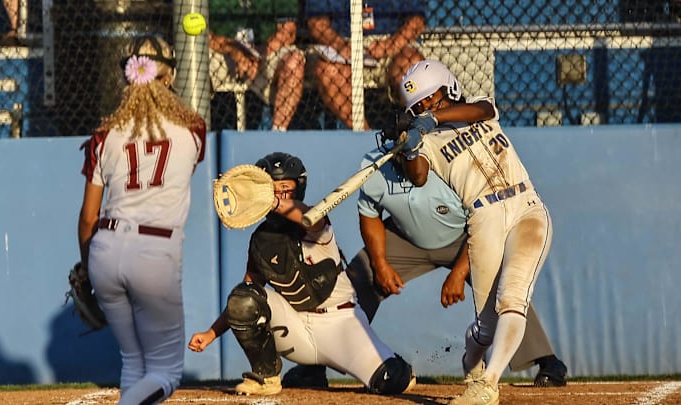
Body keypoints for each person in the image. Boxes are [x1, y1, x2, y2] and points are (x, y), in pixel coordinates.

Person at [282, 143, 566, 389]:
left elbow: (483, 220)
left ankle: (546, 360)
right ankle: (317, 365)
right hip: (405, 238)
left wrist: (459, 272)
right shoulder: (375, 165)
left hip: (466, 236)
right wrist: (380, 264)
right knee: (357, 279)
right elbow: (369, 216)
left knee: (502, 285)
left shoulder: (450, 162)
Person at [188, 152, 416, 396]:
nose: (277, 194)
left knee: (393, 380)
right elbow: (245, 296)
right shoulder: (260, 240)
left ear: (299, 188)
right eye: (270, 189)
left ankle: (317, 370)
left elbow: (306, 218)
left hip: (341, 323)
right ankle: (267, 376)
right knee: (244, 297)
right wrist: (211, 333)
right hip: (295, 327)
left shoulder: (315, 220)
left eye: (284, 188)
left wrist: (272, 201)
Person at [398, 59, 554, 404]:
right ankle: (473, 363)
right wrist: (409, 146)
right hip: (484, 219)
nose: (426, 105)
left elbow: (481, 109)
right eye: (419, 105)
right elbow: (419, 175)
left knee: (513, 298)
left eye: (431, 96)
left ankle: (488, 385)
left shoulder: (478, 106)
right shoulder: (426, 140)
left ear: (448, 86)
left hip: (525, 205)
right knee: (487, 327)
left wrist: (435, 117)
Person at [77, 35, 207, 405]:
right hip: (155, 249)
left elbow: (88, 218)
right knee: (166, 372)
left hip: (105, 246)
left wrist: (87, 269)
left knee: (133, 360)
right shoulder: (194, 130)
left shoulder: (104, 135)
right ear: (168, 78)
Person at [305, 0, 426, 129]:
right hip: (343, 43)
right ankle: (365, 134)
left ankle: (416, 130)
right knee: (328, 71)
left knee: (411, 64)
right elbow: (317, 24)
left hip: (393, 43)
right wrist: (340, 45)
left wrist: (390, 45)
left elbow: (416, 21)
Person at [207, 0, 305, 131]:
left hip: (267, 52)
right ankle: (198, 133)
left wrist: (258, 56)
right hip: (223, 51)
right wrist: (233, 49)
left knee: (294, 62)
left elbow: (288, 32)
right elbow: (202, 35)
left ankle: (277, 135)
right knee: (195, 66)